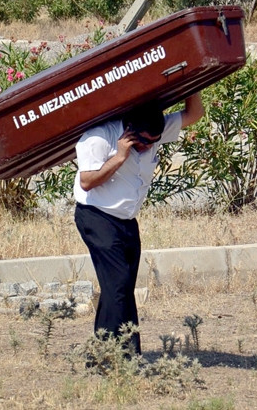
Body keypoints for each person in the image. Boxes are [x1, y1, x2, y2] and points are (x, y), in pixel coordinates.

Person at [73, 93, 204, 354]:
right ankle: (110, 357)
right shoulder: (99, 138)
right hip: (96, 216)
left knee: (120, 289)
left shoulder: (150, 131)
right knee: (118, 285)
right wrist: (120, 156)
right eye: (142, 142)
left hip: (126, 221)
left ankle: (122, 354)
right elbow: (87, 181)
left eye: (153, 142)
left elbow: (194, 114)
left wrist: (193, 81)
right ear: (128, 130)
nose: (147, 147)